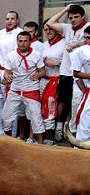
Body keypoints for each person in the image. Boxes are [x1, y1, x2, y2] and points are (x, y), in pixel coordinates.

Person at [46, 4, 90, 133]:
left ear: (83, 17)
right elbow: (50, 22)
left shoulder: (88, 27)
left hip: (82, 73)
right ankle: (60, 127)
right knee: (63, 101)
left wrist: (77, 43)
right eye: (70, 17)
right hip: (66, 70)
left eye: (76, 17)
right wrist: (65, 9)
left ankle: (75, 130)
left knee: (78, 103)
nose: (73, 20)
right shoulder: (67, 27)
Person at [2, 31, 46, 143]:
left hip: (31, 90)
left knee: (36, 119)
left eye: (25, 41)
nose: (22, 43)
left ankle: (40, 146)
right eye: (20, 41)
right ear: (17, 42)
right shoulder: (11, 55)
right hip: (15, 90)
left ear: (30, 42)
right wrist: (7, 77)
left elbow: (43, 71)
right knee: (6, 118)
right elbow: (7, 72)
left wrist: (39, 74)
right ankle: (8, 142)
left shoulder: (36, 54)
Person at [41, 23, 65, 143]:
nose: (48, 32)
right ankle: (44, 136)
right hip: (44, 80)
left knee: (53, 108)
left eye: (51, 29)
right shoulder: (44, 45)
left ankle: (54, 134)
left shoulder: (64, 43)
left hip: (58, 79)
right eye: (45, 30)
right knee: (44, 109)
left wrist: (57, 63)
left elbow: (71, 62)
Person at [71, 26, 90, 142]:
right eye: (86, 38)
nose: (87, 41)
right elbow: (76, 73)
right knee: (84, 118)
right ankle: (80, 148)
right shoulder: (81, 51)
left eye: (89, 38)